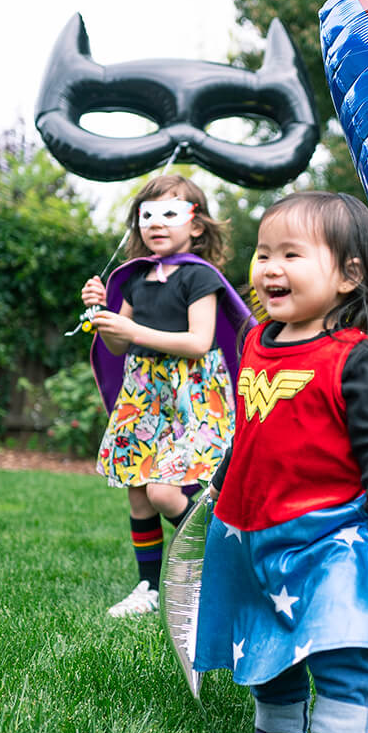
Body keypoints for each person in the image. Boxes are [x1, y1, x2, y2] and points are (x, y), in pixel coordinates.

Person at [195, 191, 368, 733]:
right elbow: (252, 428)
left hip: (332, 535)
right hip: (252, 531)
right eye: (264, 252)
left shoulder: (356, 359)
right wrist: (216, 487)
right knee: (265, 642)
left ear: (348, 274)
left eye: (292, 254)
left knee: (340, 644)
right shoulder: (256, 341)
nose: (270, 267)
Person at [82, 174, 239, 618]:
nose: (156, 222)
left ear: (196, 226)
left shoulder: (198, 277)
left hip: (190, 397)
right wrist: (102, 315)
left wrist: (131, 329)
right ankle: (149, 587)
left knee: (164, 491)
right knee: (137, 490)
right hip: (144, 396)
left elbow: (198, 340)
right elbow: (117, 344)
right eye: (146, 214)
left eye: (170, 213)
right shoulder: (135, 278)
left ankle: (220, 561)